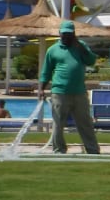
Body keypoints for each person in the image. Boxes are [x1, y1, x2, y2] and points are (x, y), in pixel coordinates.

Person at [39, 20, 100, 155]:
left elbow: (91, 61)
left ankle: (92, 150)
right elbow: (46, 71)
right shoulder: (52, 50)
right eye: (64, 34)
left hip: (79, 92)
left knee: (85, 123)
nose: (66, 37)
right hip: (59, 92)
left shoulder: (80, 46)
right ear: (59, 33)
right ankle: (59, 150)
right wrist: (42, 88)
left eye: (69, 34)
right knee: (58, 124)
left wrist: (82, 48)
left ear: (74, 34)